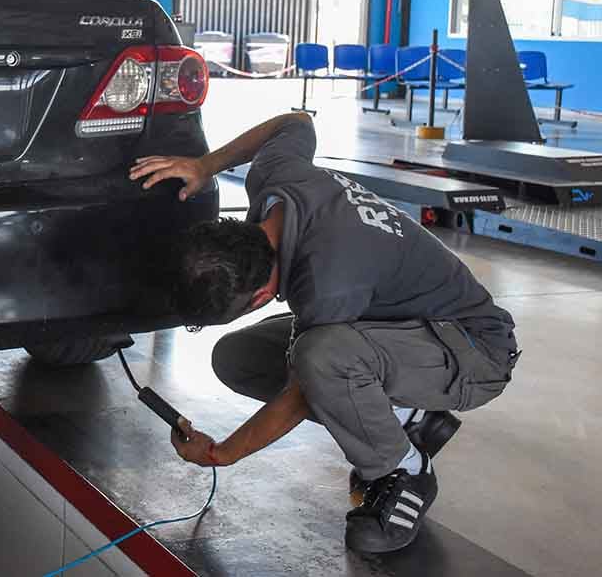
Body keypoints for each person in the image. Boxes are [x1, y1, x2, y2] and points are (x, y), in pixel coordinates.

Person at [129, 112, 518, 554]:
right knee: (241, 357)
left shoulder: (329, 281)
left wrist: (225, 452)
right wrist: (205, 165)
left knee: (321, 358)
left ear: (258, 297)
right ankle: (412, 419)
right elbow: (294, 123)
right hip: (405, 328)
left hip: (473, 351)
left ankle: (406, 471)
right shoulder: (278, 182)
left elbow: (304, 391)